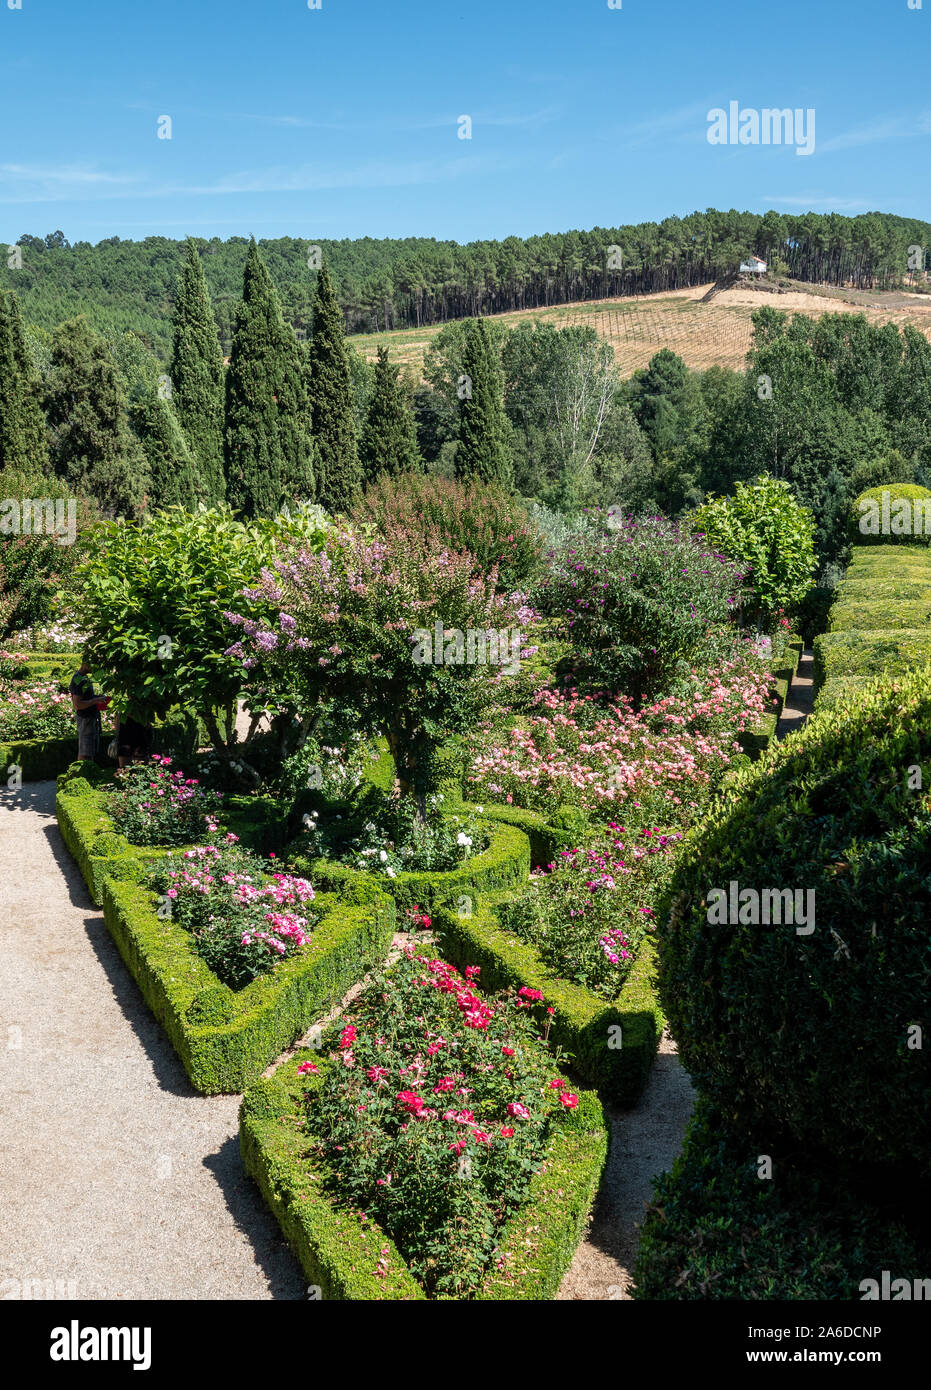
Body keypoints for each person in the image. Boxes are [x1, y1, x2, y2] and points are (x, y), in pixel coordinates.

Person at [69, 654, 109, 762]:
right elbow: (78, 704)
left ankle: (87, 774)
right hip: (85, 719)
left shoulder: (84, 678)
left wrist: (98, 698)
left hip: (90, 718)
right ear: (85, 664)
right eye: (92, 665)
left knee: (89, 751)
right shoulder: (78, 679)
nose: (94, 668)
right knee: (85, 753)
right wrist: (96, 701)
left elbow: (86, 698)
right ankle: (83, 775)